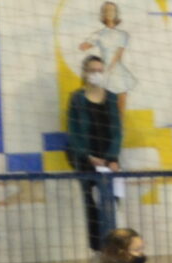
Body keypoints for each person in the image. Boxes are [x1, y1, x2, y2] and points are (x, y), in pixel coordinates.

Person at [67, 55, 124, 251]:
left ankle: (115, 251)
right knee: (92, 207)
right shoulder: (76, 98)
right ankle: (97, 251)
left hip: (109, 162)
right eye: (92, 70)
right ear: (84, 73)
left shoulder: (112, 97)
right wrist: (88, 157)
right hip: (87, 162)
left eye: (100, 70)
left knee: (113, 206)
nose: (96, 74)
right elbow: (73, 132)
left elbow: (117, 130)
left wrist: (112, 158)